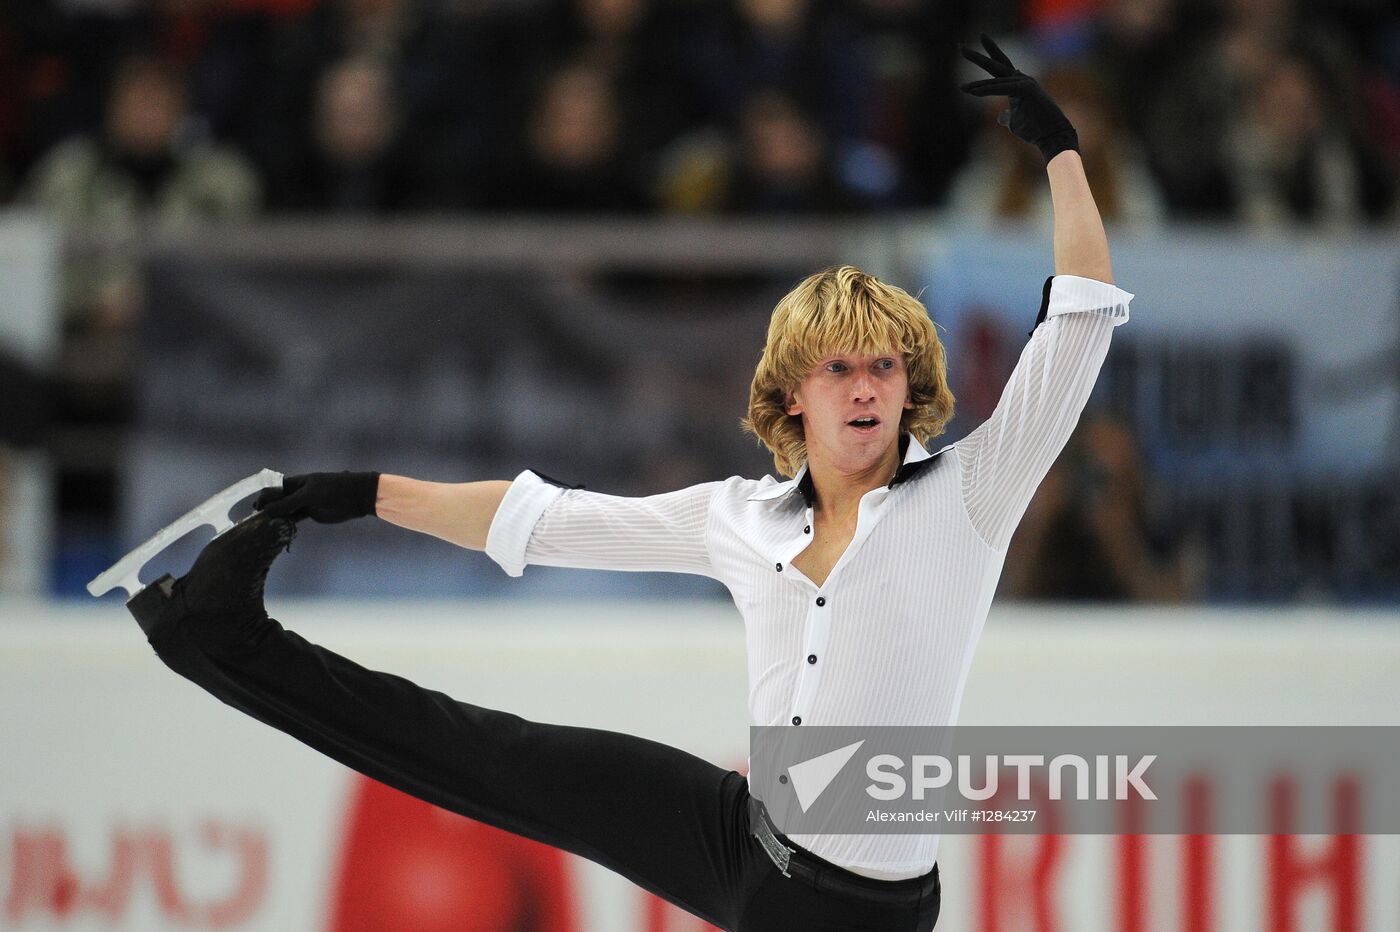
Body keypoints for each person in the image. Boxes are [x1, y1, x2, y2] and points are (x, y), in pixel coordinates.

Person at [127, 36, 1132, 931]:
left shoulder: (967, 495)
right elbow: (544, 518)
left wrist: (1059, 154)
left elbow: (1077, 321)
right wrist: (358, 489)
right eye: (838, 367)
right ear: (794, 395)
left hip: (858, 910)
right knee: (497, 755)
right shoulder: (739, 515)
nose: (864, 387)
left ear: (910, 386)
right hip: (740, 835)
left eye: (883, 367)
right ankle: (220, 634)